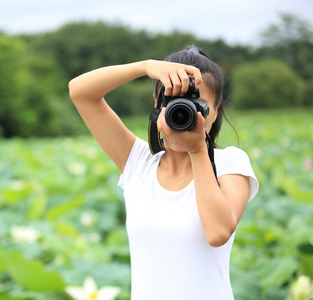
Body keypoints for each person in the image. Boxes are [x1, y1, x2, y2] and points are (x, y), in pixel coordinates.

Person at [68, 46, 259, 300]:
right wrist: (145, 66)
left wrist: (198, 151)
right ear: (157, 105)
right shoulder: (138, 161)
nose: (183, 110)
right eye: (172, 100)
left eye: (197, 103)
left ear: (216, 109)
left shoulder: (230, 163)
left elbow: (217, 233)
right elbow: (80, 92)